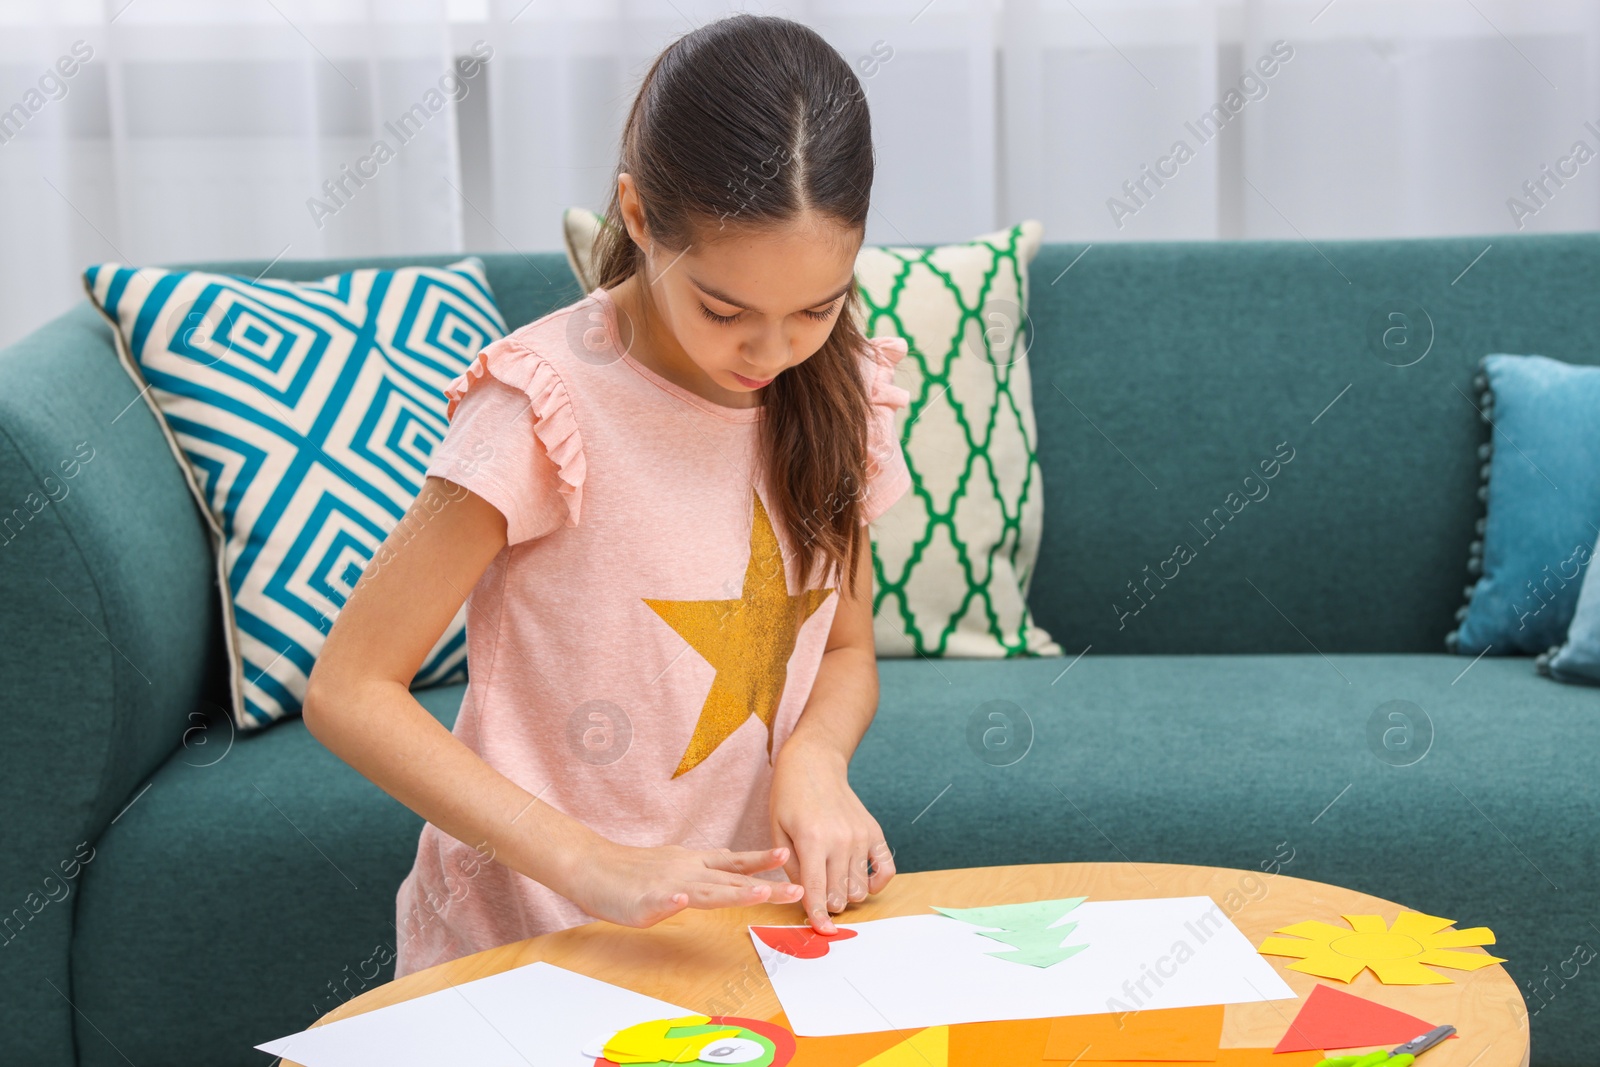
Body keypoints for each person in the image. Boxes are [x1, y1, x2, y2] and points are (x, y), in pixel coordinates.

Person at [303, 11, 913, 980]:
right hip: (524, 948)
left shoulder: (837, 388)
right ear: (636, 216)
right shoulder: (542, 403)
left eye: (814, 306)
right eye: (724, 308)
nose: (770, 352)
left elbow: (842, 647)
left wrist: (816, 760)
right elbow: (348, 688)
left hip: (728, 943)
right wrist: (590, 861)